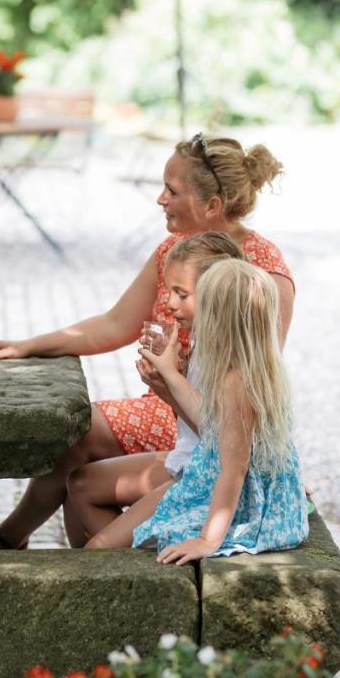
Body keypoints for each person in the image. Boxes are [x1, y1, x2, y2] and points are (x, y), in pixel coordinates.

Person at [0, 133, 294, 550]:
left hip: (208, 420)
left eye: (172, 191)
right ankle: (71, 557)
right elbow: (115, 323)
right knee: (79, 453)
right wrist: (30, 345)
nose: (160, 199)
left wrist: (171, 382)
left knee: (79, 433)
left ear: (212, 206)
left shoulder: (259, 274)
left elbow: (251, 395)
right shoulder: (174, 251)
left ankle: (12, 540)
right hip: (170, 405)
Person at [87, 260, 309, 562]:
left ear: (217, 318)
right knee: (101, 545)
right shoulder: (258, 368)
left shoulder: (236, 382)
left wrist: (206, 540)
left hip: (235, 504)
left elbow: (234, 469)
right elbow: (217, 428)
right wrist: (169, 376)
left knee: (99, 549)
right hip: (213, 483)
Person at [62, 232, 244, 547]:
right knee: (80, 484)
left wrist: (172, 378)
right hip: (195, 460)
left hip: (207, 476)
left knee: (98, 548)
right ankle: (138, 560)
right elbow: (198, 425)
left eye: (181, 294)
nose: (169, 304)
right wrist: (164, 387)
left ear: (216, 294)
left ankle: (137, 562)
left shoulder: (233, 356)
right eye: (169, 291)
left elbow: (225, 441)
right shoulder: (203, 339)